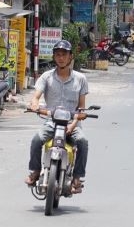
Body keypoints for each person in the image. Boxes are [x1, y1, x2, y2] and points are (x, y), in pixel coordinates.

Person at [26, 40, 90, 193]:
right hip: (51, 121)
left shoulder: (80, 79)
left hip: (71, 122)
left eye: (64, 55)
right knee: (36, 140)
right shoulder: (46, 77)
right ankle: (35, 171)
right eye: (58, 55)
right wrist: (34, 104)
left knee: (82, 142)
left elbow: (81, 107)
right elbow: (36, 96)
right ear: (54, 57)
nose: (61, 58)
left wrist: (73, 123)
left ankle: (77, 177)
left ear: (70, 57)